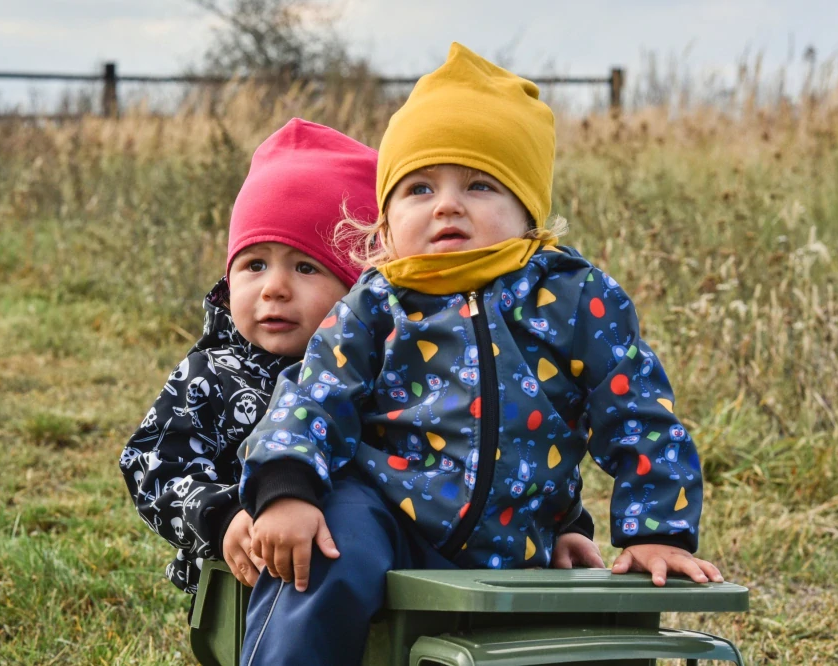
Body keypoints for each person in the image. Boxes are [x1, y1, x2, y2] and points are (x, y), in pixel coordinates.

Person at [236, 43, 722, 666]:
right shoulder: (378, 302)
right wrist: (286, 488)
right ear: (385, 222)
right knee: (325, 553)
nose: (446, 205)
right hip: (385, 508)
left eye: (478, 184)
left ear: (527, 212)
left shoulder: (575, 299)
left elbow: (639, 414)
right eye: (418, 188)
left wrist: (652, 532)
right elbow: (313, 396)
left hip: (515, 531)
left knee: (599, 615)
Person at [119, 118, 378, 595]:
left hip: (352, 575)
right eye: (254, 265)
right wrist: (219, 517)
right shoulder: (212, 373)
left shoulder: (375, 374)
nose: (274, 288)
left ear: (357, 288)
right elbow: (153, 464)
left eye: (305, 267)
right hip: (243, 584)